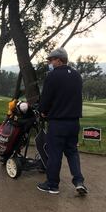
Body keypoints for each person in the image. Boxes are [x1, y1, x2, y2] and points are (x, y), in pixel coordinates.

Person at [37, 47, 88, 196]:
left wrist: (42, 111)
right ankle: (79, 181)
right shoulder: (77, 76)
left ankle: (52, 185)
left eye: (51, 60)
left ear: (59, 60)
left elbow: (45, 100)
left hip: (58, 123)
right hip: (74, 123)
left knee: (55, 155)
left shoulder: (52, 76)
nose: (50, 62)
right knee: (72, 152)